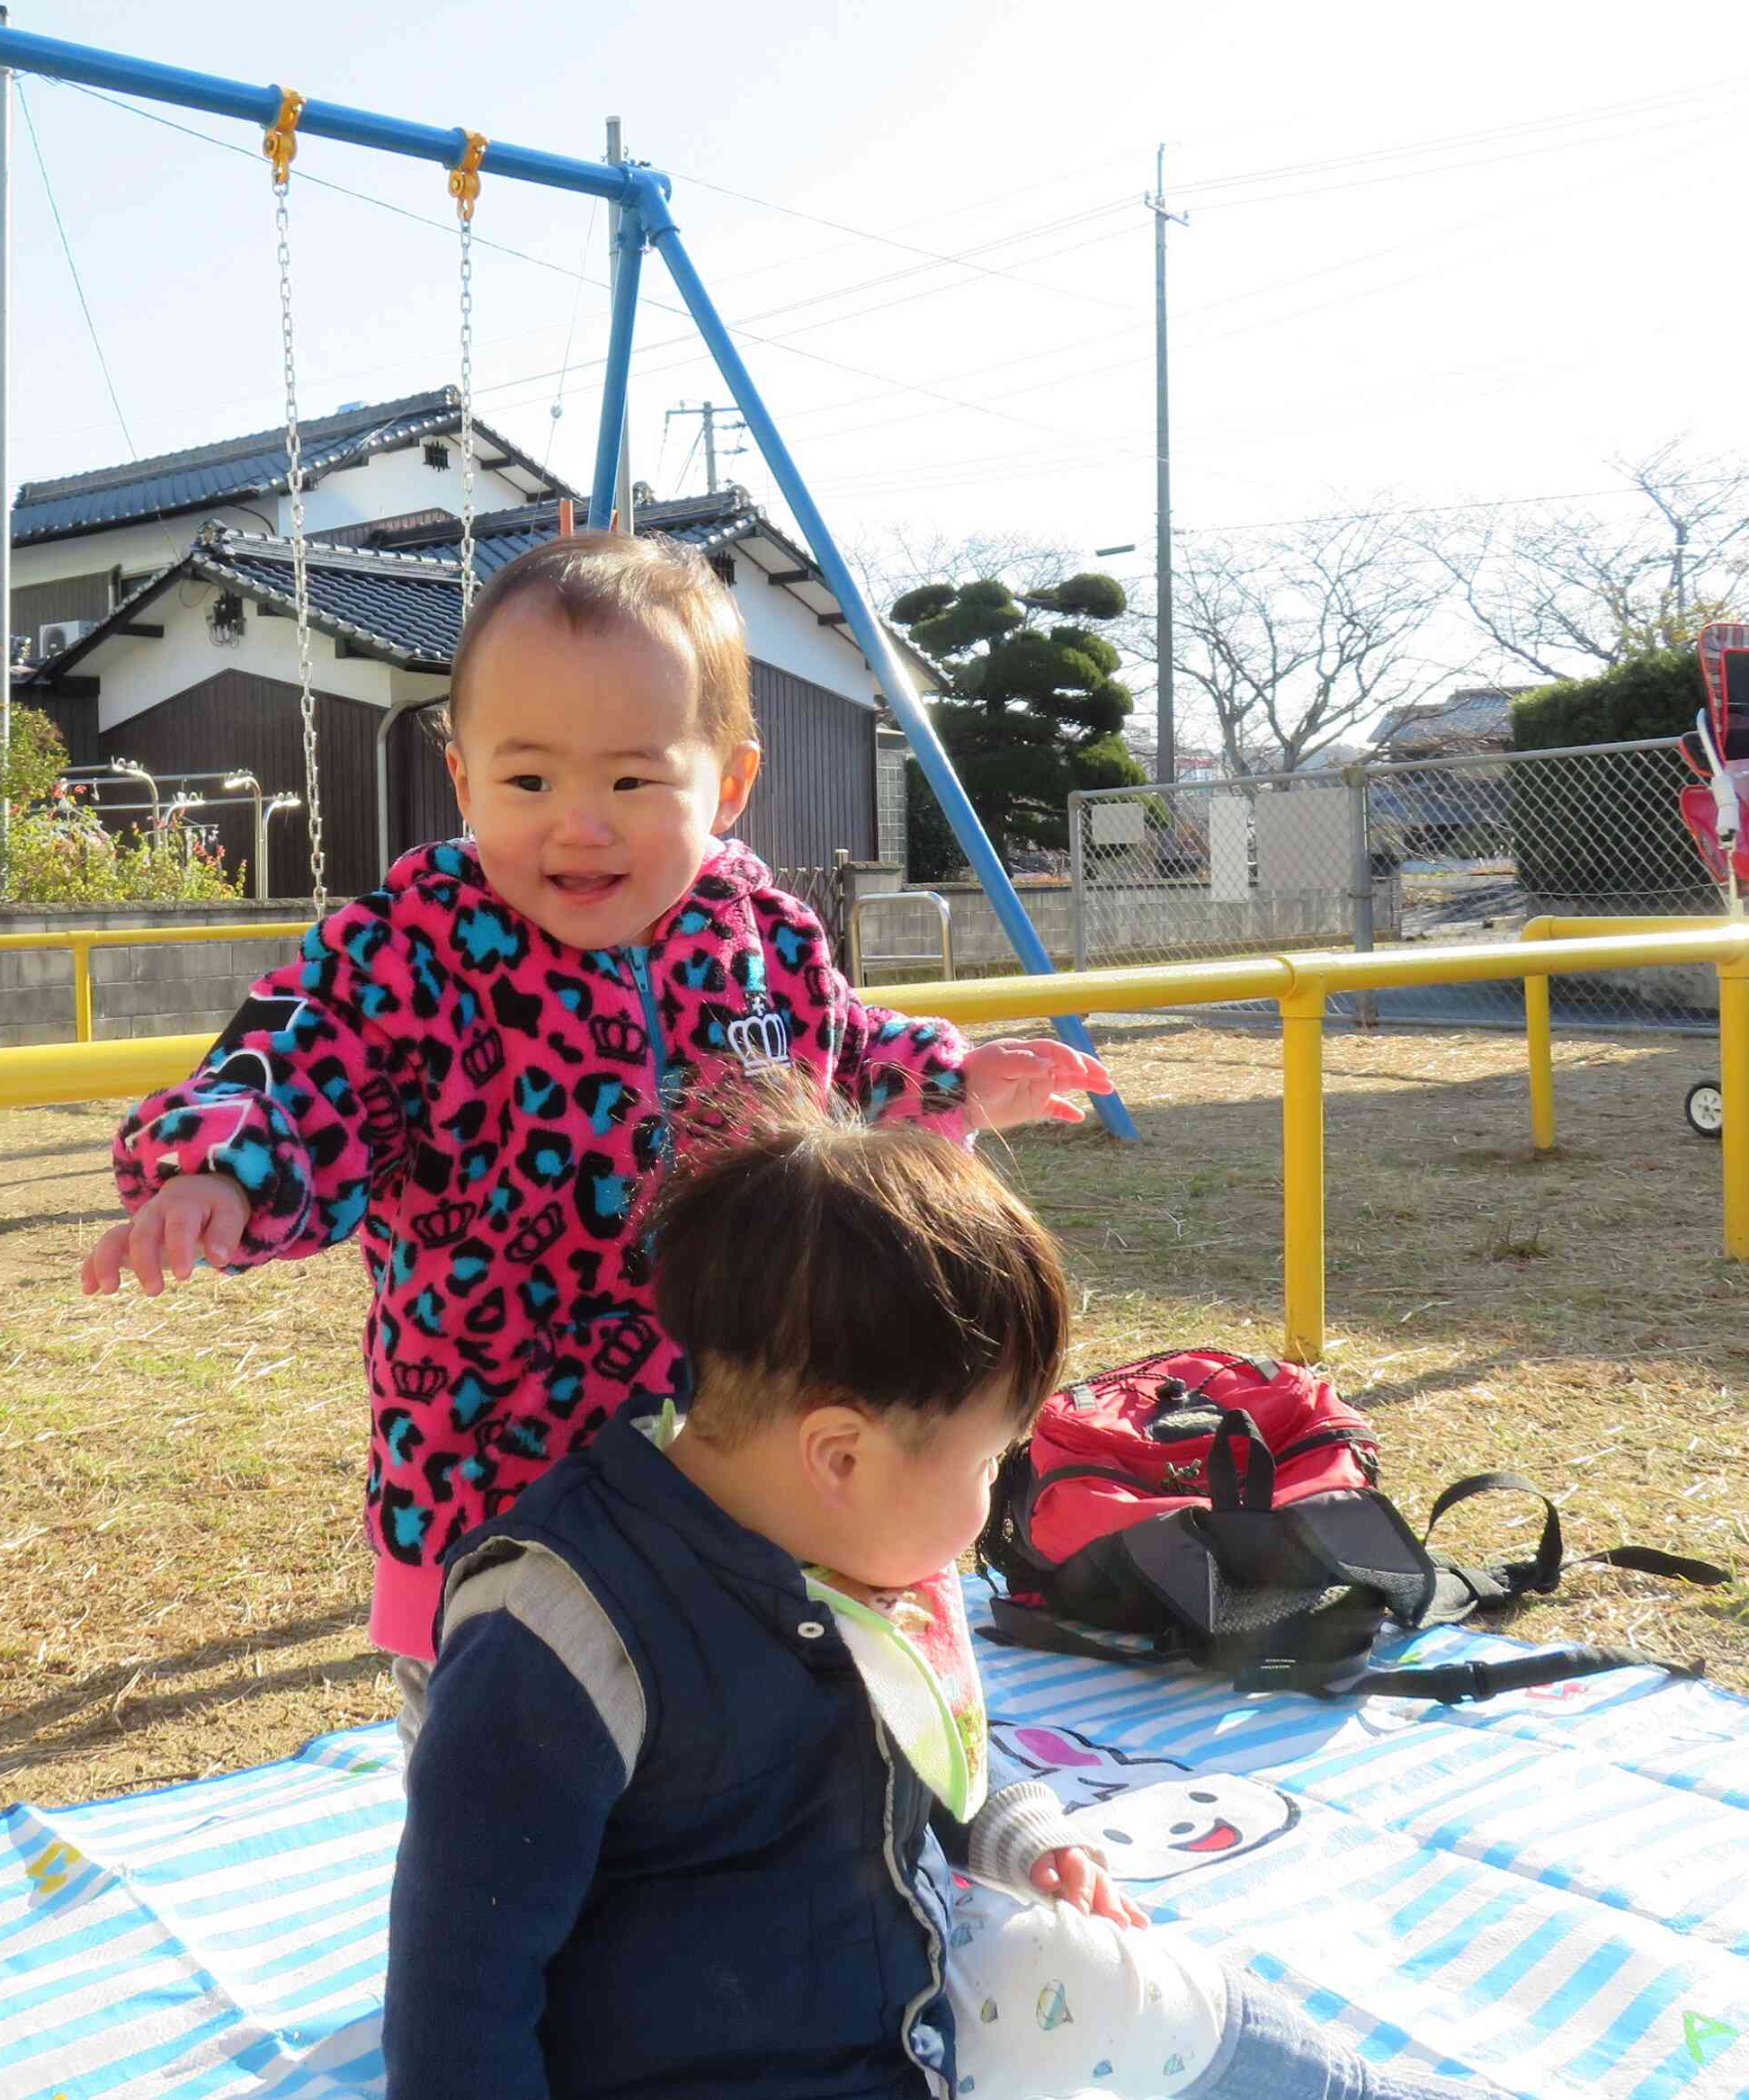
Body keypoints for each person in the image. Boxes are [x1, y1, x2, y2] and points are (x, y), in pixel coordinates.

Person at [82, 531, 1110, 1685]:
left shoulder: (760, 935)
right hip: (495, 1455)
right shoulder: (414, 948)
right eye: (529, 781)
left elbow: (846, 1049)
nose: (580, 822)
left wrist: (954, 1080)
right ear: (466, 778)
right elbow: (302, 1061)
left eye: (632, 779)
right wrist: (221, 1168)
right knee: (509, 1761)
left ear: (728, 784)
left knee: (735, 1729)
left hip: (739, 1426)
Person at [382, 1096, 1468, 2100]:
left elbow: (927, 1725)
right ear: (842, 1455)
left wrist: (1016, 1830)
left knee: (1133, 1985)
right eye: (992, 1460)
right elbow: (455, 1981)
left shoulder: (846, 1543)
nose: (999, 1495)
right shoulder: (564, 1631)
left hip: (894, 2016)